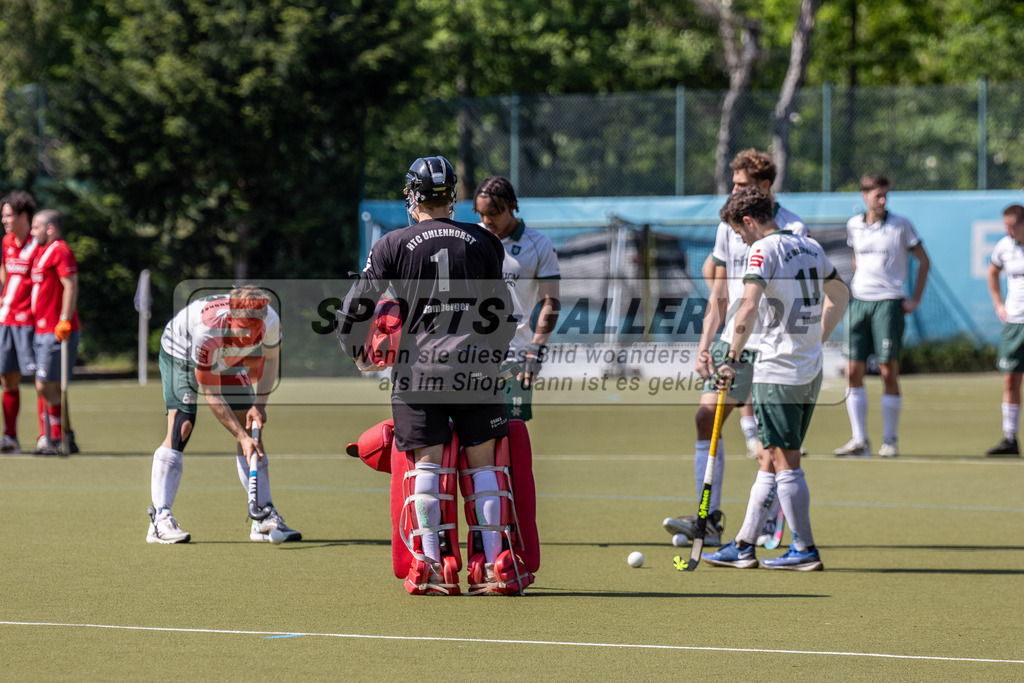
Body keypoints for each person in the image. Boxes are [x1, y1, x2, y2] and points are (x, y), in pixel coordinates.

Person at [336, 156, 518, 595]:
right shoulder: (486, 241)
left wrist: (358, 351)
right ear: (451, 195)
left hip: (420, 370)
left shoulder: (392, 244)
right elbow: (503, 315)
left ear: (413, 196)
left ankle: (433, 566)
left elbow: (357, 307)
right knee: (484, 467)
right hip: (475, 368)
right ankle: (493, 564)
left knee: (428, 467)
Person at [663, 149, 808, 546]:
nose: (734, 189)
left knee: (771, 442)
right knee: (704, 417)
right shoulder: (729, 224)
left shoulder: (793, 228)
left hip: (774, 342)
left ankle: (768, 516)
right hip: (734, 337)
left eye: (742, 184)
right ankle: (707, 520)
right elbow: (720, 294)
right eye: (734, 183)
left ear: (764, 186)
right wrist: (705, 344)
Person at [702, 186, 848, 571]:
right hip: (807, 367)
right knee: (769, 456)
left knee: (785, 460)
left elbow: (747, 303)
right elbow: (841, 294)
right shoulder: (809, 246)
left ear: (749, 221)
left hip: (776, 369)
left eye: (738, 232)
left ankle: (804, 550)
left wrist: (731, 357)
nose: (740, 239)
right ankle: (744, 544)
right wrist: (817, 338)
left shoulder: (762, 250)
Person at [146, 284, 300, 544]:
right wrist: (241, 437)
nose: (250, 337)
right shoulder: (207, 330)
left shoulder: (270, 319)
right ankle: (160, 520)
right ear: (230, 318)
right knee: (182, 424)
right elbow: (212, 393)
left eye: (255, 331)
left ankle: (262, 518)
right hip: (181, 352)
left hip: (228, 355)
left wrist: (259, 405)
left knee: (253, 429)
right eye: (244, 329)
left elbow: (271, 359)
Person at [833, 175, 930, 458]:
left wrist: (915, 299)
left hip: (888, 304)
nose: (883, 200)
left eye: (885, 194)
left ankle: (890, 440)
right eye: (878, 195)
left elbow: (924, 260)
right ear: (864, 195)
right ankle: (859, 440)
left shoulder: (901, 225)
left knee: (888, 371)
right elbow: (856, 259)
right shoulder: (854, 226)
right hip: (859, 303)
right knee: (853, 372)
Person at [472, 176, 560, 420]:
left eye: (493, 213)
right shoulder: (471, 240)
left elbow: (550, 302)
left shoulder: (539, 244)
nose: (486, 221)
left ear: (512, 206)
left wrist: (536, 348)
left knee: (510, 437)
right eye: (481, 214)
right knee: (462, 441)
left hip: (516, 362)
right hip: (471, 356)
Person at [27, 210, 82, 456]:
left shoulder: (61, 250)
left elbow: (70, 284)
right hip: (40, 328)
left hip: (55, 330)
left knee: (46, 384)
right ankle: (59, 436)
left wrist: (64, 319)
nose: (32, 231)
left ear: (50, 228)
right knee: (46, 385)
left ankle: (58, 438)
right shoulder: (40, 252)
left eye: (36, 227)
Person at [0, 191, 45, 454]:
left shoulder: (37, 243)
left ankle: (45, 436)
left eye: (8, 215)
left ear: (23, 216)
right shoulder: (6, 241)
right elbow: (6, 272)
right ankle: (10, 437)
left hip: (30, 323)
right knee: (8, 380)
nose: (4, 220)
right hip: (6, 320)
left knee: (42, 380)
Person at [984, 204, 1024, 456]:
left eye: (1011, 226)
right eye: (1005, 225)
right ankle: (1010, 439)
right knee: (1011, 379)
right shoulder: (1004, 247)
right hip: (1014, 323)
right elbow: (993, 272)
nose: (1007, 230)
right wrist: (999, 304)